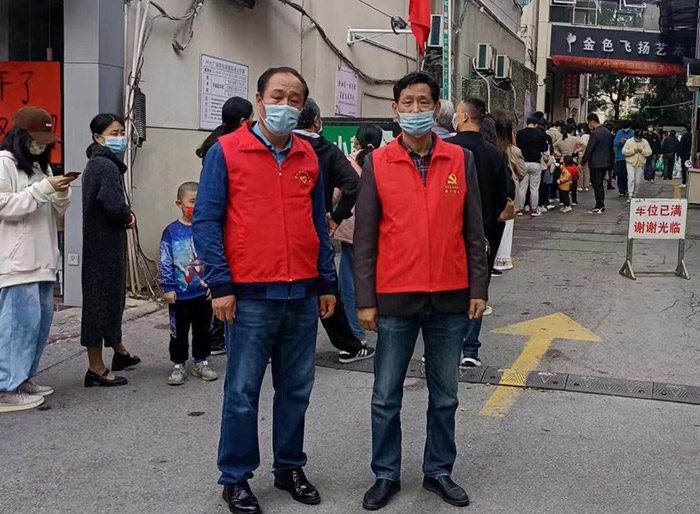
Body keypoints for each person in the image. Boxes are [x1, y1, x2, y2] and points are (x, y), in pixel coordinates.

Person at [193, 66, 336, 514]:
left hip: (302, 294)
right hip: (250, 294)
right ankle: (235, 477)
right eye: (277, 96)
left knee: (296, 388)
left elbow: (318, 224)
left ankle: (289, 467)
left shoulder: (308, 157)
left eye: (295, 99)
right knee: (242, 392)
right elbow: (206, 220)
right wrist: (220, 284)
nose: (285, 105)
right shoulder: (226, 151)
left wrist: (326, 280)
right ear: (259, 100)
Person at [354, 72, 488, 510]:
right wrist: (366, 299)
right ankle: (385, 474)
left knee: (445, 396)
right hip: (396, 297)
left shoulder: (459, 159)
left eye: (423, 102)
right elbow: (365, 238)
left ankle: (439, 471)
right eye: (407, 103)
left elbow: (474, 230)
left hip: (450, 296)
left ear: (436, 108)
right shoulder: (378, 163)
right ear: (395, 110)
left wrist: (478, 287)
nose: (415, 110)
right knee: (385, 396)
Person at [0, 107, 74, 412]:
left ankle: (23, 378)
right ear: (20, 136)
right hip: (17, 262)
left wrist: (60, 192)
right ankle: (5, 388)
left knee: (37, 326)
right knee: (16, 327)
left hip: (43, 260)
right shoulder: (4, 163)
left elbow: (54, 212)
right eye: (36, 139)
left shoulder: (40, 168)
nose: (42, 146)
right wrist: (43, 189)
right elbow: (4, 206)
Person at [293, 98, 374, 363]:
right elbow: (352, 184)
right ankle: (349, 345)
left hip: (279, 233)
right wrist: (336, 216)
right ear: (317, 121)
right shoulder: (327, 150)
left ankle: (276, 346)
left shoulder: (279, 146)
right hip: (316, 230)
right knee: (327, 286)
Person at [446, 99, 508, 367]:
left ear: (462, 117)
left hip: (447, 232)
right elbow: (503, 196)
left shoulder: (447, 149)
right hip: (483, 232)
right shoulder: (494, 153)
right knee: (477, 287)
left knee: (446, 288)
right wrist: (486, 221)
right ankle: (470, 349)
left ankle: (440, 346)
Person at [81, 113, 140, 387]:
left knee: (112, 299)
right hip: (102, 245)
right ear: (98, 137)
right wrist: (128, 216)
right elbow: (113, 204)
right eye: (114, 133)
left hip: (105, 243)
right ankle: (95, 367)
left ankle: (119, 351)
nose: (120, 138)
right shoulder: (104, 165)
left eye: (121, 132)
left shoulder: (102, 163)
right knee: (99, 303)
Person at [196, 96, 253, 355]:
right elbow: (208, 214)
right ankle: (218, 336)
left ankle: (216, 335)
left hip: (224, 230)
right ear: (243, 120)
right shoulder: (224, 149)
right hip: (225, 231)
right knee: (221, 287)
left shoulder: (215, 141)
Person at [159, 182, 217, 386]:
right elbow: (165, 260)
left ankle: (201, 361)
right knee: (179, 332)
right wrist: (168, 287)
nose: (196, 206)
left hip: (204, 293)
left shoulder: (208, 230)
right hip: (180, 295)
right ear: (179, 203)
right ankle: (178, 364)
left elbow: (215, 257)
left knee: (203, 330)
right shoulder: (171, 231)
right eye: (192, 202)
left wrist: (215, 284)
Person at [332, 125, 383, 343]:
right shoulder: (384, 161)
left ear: (357, 141)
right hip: (378, 230)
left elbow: (335, 196)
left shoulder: (347, 162)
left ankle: (356, 333)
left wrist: (332, 216)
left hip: (352, 231)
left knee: (349, 285)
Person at [492, 110, 525, 272]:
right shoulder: (511, 149)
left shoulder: (489, 147)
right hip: (508, 193)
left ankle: (494, 257)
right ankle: (502, 259)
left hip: (492, 193)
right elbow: (521, 172)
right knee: (507, 224)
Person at [581, 113, 613, 214]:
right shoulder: (607, 132)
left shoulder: (595, 133)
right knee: (600, 184)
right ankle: (600, 204)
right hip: (605, 162)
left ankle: (599, 205)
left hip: (596, 163)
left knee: (597, 184)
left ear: (592, 122)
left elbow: (589, 149)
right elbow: (611, 149)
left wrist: (582, 162)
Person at [516, 116, 549, 217]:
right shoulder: (540, 134)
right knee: (534, 188)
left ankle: (520, 209)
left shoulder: (520, 133)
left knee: (522, 187)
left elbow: (517, 145)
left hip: (523, 162)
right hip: (536, 162)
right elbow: (544, 148)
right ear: (536, 124)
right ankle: (534, 208)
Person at [554, 124, 581, 205]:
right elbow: (585, 144)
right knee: (574, 180)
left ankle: (562, 200)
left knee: (562, 179)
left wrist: (558, 153)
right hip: (572, 160)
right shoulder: (575, 139)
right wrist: (576, 151)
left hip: (563, 160)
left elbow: (553, 146)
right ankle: (574, 200)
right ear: (572, 131)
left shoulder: (560, 139)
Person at [622, 130, 652, 200]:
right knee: (631, 178)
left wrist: (642, 151)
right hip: (630, 163)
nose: (638, 138)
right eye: (637, 137)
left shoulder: (645, 142)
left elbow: (649, 152)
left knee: (638, 182)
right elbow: (624, 151)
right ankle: (630, 194)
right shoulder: (629, 141)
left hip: (640, 163)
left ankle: (635, 194)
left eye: (640, 137)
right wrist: (633, 151)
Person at [614, 120, 634, 198]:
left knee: (629, 175)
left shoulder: (632, 133)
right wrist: (621, 142)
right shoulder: (619, 133)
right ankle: (621, 190)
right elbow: (615, 143)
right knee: (620, 174)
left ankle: (628, 189)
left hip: (630, 157)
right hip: (620, 157)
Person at [578, 123, 591, 191]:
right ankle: (586, 185)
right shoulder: (590, 136)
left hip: (581, 154)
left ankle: (580, 185)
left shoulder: (583, 136)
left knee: (580, 170)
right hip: (588, 155)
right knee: (587, 170)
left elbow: (581, 145)